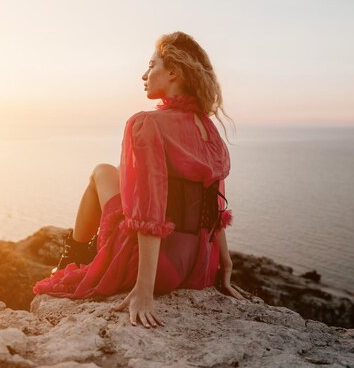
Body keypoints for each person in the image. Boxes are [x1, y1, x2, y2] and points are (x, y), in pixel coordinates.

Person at [33, 31, 244, 329]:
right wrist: (225, 263)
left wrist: (144, 291)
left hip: (160, 271)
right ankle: (76, 254)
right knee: (110, 173)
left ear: (173, 72)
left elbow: (149, 210)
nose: (144, 74)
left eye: (151, 65)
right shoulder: (208, 129)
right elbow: (216, 206)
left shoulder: (147, 123)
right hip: (200, 267)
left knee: (101, 172)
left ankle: (73, 257)